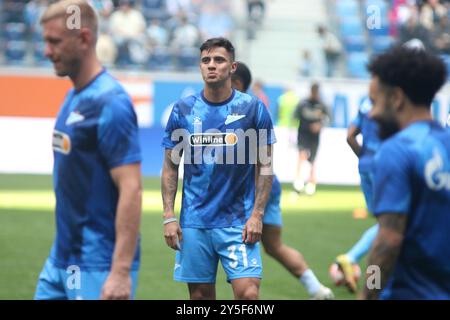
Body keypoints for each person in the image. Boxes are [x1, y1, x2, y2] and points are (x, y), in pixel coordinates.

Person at [34, 0, 142, 300]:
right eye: (45, 41)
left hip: (98, 264)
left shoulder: (111, 102)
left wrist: (120, 271)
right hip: (61, 259)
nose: (46, 51)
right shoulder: (72, 97)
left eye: (54, 41)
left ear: (83, 39)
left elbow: (131, 189)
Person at [161, 37, 275, 300]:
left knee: (248, 296)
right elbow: (170, 167)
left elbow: (266, 165)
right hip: (194, 222)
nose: (212, 65)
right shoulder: (183, 111)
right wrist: (169, 215)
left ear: (232, 67)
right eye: (206, 60)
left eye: (219, 60)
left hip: (239, 221)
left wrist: (257, 215)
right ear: (200, 67)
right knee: (200, 299)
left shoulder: (253, 108)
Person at [231, 61, 334, 300]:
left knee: (233, 245)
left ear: (236, 83)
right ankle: (317, 289)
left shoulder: (241, 112)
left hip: (253, 189)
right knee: (274, 245)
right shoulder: (255, 109)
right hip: (270, 185)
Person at [361, 46, 449, 299]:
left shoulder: (397, 150)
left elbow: (387, 241)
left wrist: (369, 293)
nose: (371, 113)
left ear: (396, 98)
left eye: (375, 101)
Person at [334, 96, 381, 293]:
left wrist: (365, 158)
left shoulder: (365, 102)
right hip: (385, 168)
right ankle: (370, 280)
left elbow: (350, 136)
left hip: (365, 167)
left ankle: (372, 283)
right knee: (388, 227)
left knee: (382, 225)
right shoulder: (394, 101)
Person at [293, 83, 331, 195]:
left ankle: (311, 184)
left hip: (314, 136)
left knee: (313, 159)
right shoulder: (303, 103)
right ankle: (298, 183)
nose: (315, 94)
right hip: (303, 134)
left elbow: (329, 118)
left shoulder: (322, 105)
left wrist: (320, 125)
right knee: (302, 155)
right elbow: (295, 116)